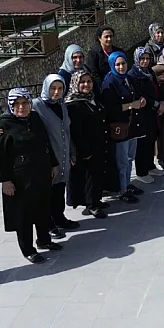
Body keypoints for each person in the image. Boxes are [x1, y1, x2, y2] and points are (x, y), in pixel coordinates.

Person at [0, 88, 61, 265]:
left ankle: (44, 240)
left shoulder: (35, 118)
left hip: (41, 173)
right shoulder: (3, 125)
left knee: (43, 208)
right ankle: (28, 249)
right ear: (10, 105)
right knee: (24, 215)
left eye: (24, 103)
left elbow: (46, 142)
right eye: (17, 104)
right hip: (20, 179)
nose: (21, 107)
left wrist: (53, 163)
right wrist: (5, 180)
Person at [30, 74, 79, 237]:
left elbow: (67, 131)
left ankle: (59, 218)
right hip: (47, 160)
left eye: (60, 88)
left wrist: (72, 152)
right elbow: (13, 114)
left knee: (59, 190)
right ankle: (48, 225)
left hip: (63, 155)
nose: (56, 92)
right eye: (52, 88)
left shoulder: (61, 105)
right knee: (47, 194)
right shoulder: (35, 105)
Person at [100, 52, 144, 203]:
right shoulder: (109, 83)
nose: (121, 67)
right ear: (112, 65)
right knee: (122, 160)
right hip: (119, 127)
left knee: (130, 157)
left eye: (123, 63)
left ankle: (127, 183)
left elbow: (135, 94)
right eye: (117, 64)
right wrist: (131, 105)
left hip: (131, 125)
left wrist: (141, 100)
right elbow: (110, 108)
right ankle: (122, 189)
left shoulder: (128, 78)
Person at [65, 70, 109, 219]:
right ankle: (91, 205)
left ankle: (96, 199)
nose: (86, 85)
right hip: (86, 149)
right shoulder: (73, 104)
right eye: (82, 82)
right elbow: (76, 131)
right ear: (75, 84)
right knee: (89, 176)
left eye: (89, 82)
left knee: (97, 175)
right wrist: (85, 151)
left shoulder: (91, 99)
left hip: (98, 145)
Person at [128, 47, 164, 184]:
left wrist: (162, 102)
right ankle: (142, 171)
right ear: (137, 59)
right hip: (142, 112)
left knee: (151, 138)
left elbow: (157, 89)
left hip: (153, 111)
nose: (145, 61)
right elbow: (139, 94)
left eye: (147, 58)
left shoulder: (149, 71)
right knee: (142, 142)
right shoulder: (133, 75)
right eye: (142, 59)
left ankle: (150, 166)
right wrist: (156, 104)